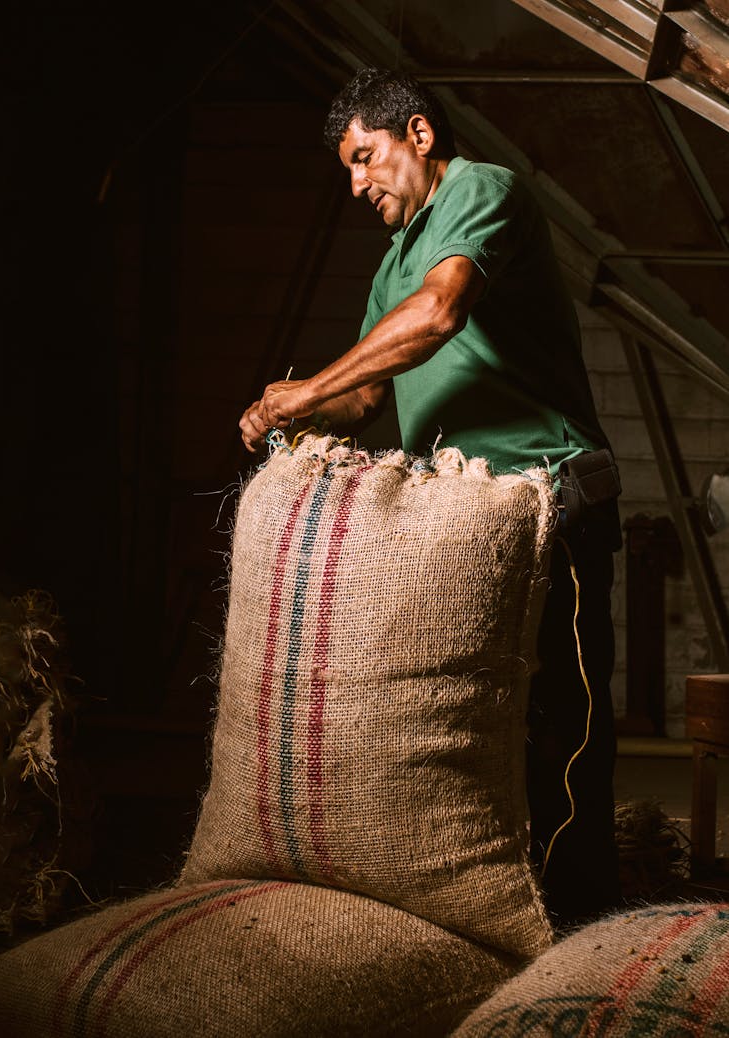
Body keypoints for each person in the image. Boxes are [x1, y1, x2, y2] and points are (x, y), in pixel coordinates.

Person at [239, 68, 621, 927]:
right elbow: (366, 398)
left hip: (550, 504)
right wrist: (285, 407)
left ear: (417, 135)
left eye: (365, 158)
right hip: (462, 527)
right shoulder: (392, 264)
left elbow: (440, 314)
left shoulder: (484, 188)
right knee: (477, 728)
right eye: (345, 169)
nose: (356, 184)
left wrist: (306, 395)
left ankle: (579, 929)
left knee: (563, 729)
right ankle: (493, 914)